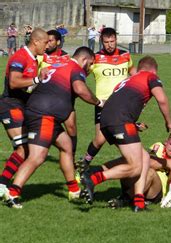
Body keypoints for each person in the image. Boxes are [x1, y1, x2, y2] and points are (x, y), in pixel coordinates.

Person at [3, 47, 100, 208]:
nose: (89, 68)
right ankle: (13, 193)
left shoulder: (59, 65)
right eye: (90, 64)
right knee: (37, 156)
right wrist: (98, 102)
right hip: (44, 116)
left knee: (66, 146)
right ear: (84, 60)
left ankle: (74, 190)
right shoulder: (75, 68)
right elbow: (80, 89)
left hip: (44, 114)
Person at [80, 56, 171, 212]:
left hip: (106, 118)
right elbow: (162, 99)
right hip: (121, 120)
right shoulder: (150, 76)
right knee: (135, 167)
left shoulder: (125, 81)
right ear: (153, 70)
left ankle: (138, 201)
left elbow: (119, 103)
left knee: (144, 157)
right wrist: (169, 122)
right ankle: (93, 178)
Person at [76, 27, 136, 170]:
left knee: (121, 136)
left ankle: (133, 159)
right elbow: (80, 75)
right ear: (101, 42)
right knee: (100, 139)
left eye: (112, 41)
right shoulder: (95, 58)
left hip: (123, 104)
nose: (109, 45)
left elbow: (134, 73)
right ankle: (84, 163)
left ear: (116, 40)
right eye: (106, 42)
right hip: (103, 104)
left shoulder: (126, 55)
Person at [0, 28, 48, 197]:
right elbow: (14, 82)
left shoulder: (33, 59)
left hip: (20, 106)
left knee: (25, 148)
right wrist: (37, 79)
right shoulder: (20, 56)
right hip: (10, 105)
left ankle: (3, 184)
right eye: (45, 42)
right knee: (23, 148)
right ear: (36, 41)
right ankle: (2, 184)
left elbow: (26, 86)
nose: (47, 45)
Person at [103, 133, 171, 208]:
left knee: (150, 172)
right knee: (131, 163)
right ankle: (100, 173)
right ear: (166, 142)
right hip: (139, 181)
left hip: (156, 191)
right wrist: (152, 153)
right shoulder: (159, 147)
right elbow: (144, 159)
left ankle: (125, 199)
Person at [37, 30, 78, 157]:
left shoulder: (67, 58)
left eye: (51, 41)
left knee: (71, 127)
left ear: (58, 42)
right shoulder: (40, 56)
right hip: (43, 98)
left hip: (64, 97)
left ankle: (72, 156)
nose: (47, 44)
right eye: (46, 41)